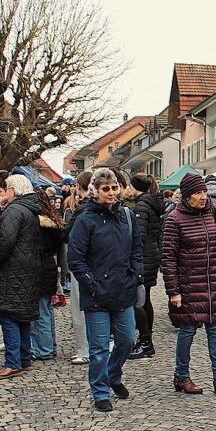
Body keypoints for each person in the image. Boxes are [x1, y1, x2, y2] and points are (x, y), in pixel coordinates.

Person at [67, 168, 142, 412]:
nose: (110, 193)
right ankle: (100, 391)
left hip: (123, 289)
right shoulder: (85, 220)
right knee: (98, 348)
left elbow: (137, 249)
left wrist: (135, 274)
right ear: (96, 192)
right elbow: (75, 258)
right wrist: (91, 283)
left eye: (113, 188)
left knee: (126, 340)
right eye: (105, 189)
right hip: (97, 293)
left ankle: (113, 374)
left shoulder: (127, 216)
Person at [162, 173, 216, 398]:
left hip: (214, 282)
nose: (203, 196)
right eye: (197, 192)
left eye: (204, 192)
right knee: (187, 331)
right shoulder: (174, 219)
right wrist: (173, 291)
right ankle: (181, 376)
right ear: (186, 195)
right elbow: (169, 258)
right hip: (189, 285)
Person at [0, 175, 47, 379]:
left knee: (9, 314)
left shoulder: (15, 210)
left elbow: (6, 241)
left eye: (7, 188)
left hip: (11, 269)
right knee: (22, 314)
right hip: (26, 267)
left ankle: (13, 362)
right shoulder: (28, 209)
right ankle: (24, 358)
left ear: (13, 190)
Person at [127, 174, 165, 360]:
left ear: (136, 187)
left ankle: (145, 341)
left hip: (144, 256)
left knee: (138, 300)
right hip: (152, 254)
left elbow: (139, 236)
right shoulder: (153, 202)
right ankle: (146, 337)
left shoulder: (142, 205)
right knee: (145, 298)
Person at [30, 189, 65, 361]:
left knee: (41, 312)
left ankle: (43, 348)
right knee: (47, 310)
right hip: (49, 266)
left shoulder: (37, 224)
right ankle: (50, 346)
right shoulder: (53, 221)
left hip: (39, 268)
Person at [63, 171, 92, 365]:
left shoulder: (83, 210)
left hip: (82, 264)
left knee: (80, 307)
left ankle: (84, 349)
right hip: (98, 264)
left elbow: (68, 235)